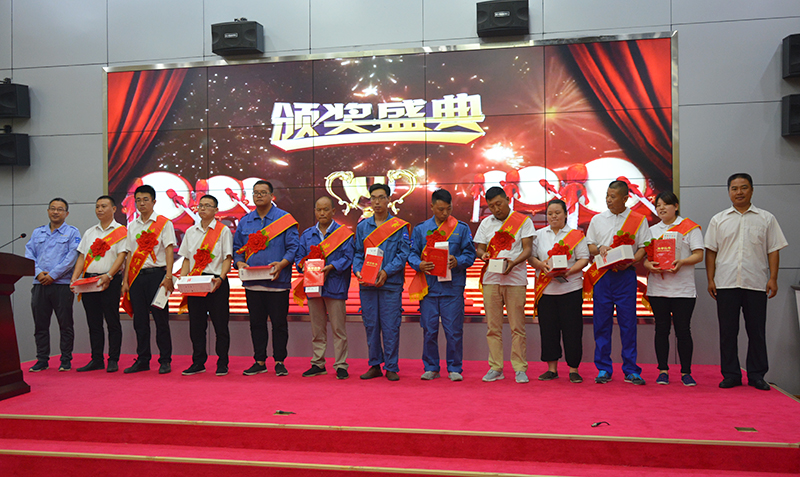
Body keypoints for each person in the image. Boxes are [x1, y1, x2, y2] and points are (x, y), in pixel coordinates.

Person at [705, 173, 787, 391]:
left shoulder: (766, 218)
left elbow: (773, 250)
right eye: (734, 188)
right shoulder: (719, 219)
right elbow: (711, 251)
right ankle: (731, 374)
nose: (739, 192)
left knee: (756, 331)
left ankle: (757, 375)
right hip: (726, 283)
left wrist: (773, 278)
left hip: (756, 282)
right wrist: (710, 279)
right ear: (729, 192)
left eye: (743, 187)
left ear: (751, 190)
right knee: (728, 332)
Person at [585, 180, 651, 385]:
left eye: (613, 197)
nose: (608, 200)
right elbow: (590, 245)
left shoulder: (638, 220)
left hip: (625, 276)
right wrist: (600, 249)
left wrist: (632, 260)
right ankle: (603, 368)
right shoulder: (597, 219)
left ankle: (631, 369)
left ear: (625, 198)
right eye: (607, 195)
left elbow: (644, 247)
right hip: (603, 276)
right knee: (601, 324)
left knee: (628, 324)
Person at [408, 189, 476, 381]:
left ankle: (454, 368)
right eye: (440, 209)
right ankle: (431, 367)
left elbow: (470, 254)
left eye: (448, 209)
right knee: (429, 330)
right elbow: (412, 253)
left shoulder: (461, 228)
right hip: (429, 288)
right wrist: (419, 264)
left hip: (452, 288)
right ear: (432, 206)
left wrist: (458, 261)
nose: (445, 213)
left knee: (454, 330)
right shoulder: (421, 229)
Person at [233, 180, 299, 377]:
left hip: (277, 282)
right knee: (256, 324)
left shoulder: (284, 219)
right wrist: (239, 263)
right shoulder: (245, 221)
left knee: (279, 324)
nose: (259, 196)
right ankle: (259, 361)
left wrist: (282, 264)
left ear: (271, 195)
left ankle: (280, 361)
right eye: (256, 193)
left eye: (263, 192)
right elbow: (237, 249)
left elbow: (293, 248)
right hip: (252, 283)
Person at [642, 191, 704, 386]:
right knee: (661, 330)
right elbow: (646, 259)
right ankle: (663, 371)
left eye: (665, 204)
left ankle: (686, 372)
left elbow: (699, 254)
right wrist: (649, 265)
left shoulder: (690, 227)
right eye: (658, 205)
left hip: (683, 289)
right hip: (658, 288)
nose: (661, 208)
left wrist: (682, 262)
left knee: (683, 331)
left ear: (675, 206)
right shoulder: (651, 230)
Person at [474, 186, 534, 384]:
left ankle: (520, 368)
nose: (496, 209)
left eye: (499, 204)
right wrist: (483, 254)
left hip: (515, 279)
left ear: (508, 199)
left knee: (518, 327)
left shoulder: (523, 221)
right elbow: (479, 248)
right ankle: (496, 367)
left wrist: (513, 263)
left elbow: (527, 250)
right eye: (491, 206)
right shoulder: (486, 223)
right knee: (493, 327)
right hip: (491, 279)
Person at [353, 183, 411, 381]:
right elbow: (357, 254)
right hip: (367, 285)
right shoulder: (362, 226)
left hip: (390, 285)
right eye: (373, 198)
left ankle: (391, 366)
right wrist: (358, 271)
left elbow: (403, 254)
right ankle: (375, 365)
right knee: (371, 325)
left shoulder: (399, 226)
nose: (377, 202)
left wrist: (386, 271)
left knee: (390, 326)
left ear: (388, 200)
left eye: (381, 197)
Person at [528, 199, 590, 383]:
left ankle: (573, 369)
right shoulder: (539, 235)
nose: (553, 216)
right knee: (548, 331)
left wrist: (569, 271)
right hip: (547, 291)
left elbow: (584, 258)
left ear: (565, 214)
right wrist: (541, 265)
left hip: (571, 288)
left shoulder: (576, 235)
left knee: (573, 330)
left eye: (557, 213)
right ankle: (552, 369)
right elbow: (531, 257)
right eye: (550, 213)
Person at [294, 196, 355, 380]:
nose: (322, 213)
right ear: (315, 211)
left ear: (333, 211)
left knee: (338, 329)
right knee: (317, 328)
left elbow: (348, 257)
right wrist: (303, 266)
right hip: (313, 286)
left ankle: (341, 365)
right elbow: (299, 258)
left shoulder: (343, 233)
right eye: (319, 210)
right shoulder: (307, 235)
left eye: (326, 209)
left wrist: (332, 267)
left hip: (335, 285)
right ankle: (318, 363)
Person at [121, 184, 177, 374]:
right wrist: (126, 281)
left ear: (154, 201)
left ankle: (165, 360)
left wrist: (169, 276)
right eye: (138, 200)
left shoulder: (164, 223)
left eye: (145, 199)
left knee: (161, 320)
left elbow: (169, 250)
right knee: (140, 321)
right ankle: (143, 360)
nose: (141, 203)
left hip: (157, 276)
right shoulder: (133, 225)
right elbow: (129, 254)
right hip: (137, 277)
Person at [69, 195, 128, 373]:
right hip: (89, 281)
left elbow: (121, 256)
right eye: (97, 207)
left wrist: (109, 275)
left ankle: (113, 359)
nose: (99, 209)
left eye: (103, 206)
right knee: (93, 322)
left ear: (114, 209)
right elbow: (82, 257)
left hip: (110, 280)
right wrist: (75, 277)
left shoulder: (121, 231)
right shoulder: (90, 232)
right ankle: (96, 359)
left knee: (112, 321)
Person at [178, 194, 233, 376]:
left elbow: (227, 258)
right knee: (196, 326)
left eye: (207, 205)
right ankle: (198, 362)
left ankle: (222, 362)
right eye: (200, 205)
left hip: (216, 281)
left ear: (216, 210)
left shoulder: (223, 231)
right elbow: (187, 259)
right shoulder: (190, 232)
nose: (202, 208)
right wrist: (183, 279)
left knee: (220, 325)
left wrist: (221, 278)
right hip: (196, 281)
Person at [25, 198, 80, 372]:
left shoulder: (72, 232)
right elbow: (29, 254)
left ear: (66, 213)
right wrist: (39, 273)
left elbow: (72, 258)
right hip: (39, 284)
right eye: (53, 208)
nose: (56, 212)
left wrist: (53, 275)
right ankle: (42, 359)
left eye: (60, 209)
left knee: (65, 324)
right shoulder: (38, 232)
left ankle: (65, 360)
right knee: (40, 325)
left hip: (61, 285)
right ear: (48, 211)